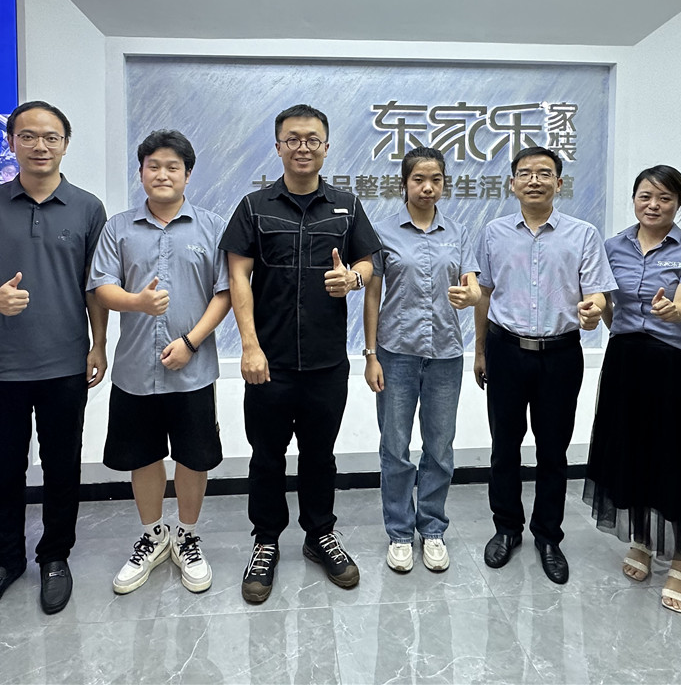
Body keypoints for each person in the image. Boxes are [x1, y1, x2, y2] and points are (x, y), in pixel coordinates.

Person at [221, 103, 381, 604]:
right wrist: (249, 346)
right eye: (293, 139)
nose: (303, 147)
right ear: (278, 147)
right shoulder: (255, 207)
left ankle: (320, 535)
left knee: (319, 455)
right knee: (267, 457)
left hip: (327, 362)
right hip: (268, 363)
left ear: (326, 147)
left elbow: (369, 260)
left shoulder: (347, 206)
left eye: (312, 139)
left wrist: (353, 278)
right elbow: (238, 275)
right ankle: (266, 541)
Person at [0, 101, 108, 622]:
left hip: (65, 361)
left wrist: (98, 344)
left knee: (63, 465)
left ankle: (55, 556)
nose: (39, 146)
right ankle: (5, 561)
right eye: (28, 136)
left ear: (65, 143)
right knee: (4, 469)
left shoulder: (87, 208)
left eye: (50, 137)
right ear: (11, 143)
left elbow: (94, 286)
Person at [90, 130, 231, 596]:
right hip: (135, 369)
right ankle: (153, 536)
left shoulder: (212, 227)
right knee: (144, 456)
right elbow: (101, 287)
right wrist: (136, 302)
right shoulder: (118, 228)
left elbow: (225, 293)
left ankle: (186, 536)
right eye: (154, 166)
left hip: (194, 369)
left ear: (188, 174)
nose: (163, 174)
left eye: (173, 167)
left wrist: (190, 342)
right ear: (141, 173)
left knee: (193, 458)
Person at [583, 165, 681, 613]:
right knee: (632, 453)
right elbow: (608, 303)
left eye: (664, 198)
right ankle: (641, 541)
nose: (653, 205)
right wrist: (600, 315)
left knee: (679, 460)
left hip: (677, 364)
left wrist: (672, 311)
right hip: (627, 361)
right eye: (645, 196)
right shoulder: (612, 247)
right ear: (633, 199)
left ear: (679, 204)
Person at [474, 146, 616, 584]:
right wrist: (479, 351)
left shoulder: (583, 234)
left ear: (559, 182)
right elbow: (484, 294)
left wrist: (593, 309)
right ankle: (506, 528)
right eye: (525, 173)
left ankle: (549, 536)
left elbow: (597, 293)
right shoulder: (494, 233)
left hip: (560, 354)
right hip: (505, 350)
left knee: (553, 451)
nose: (534, 180)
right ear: (512, 183)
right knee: (504, 447)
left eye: (544, 173)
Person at [363, 147, 480, 574]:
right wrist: (370, 354)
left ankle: (432, 529)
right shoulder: (382, 233)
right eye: (418, 179)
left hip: (446, 355)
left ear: (444, 183)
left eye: (436, 179)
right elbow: (373, 296)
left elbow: (473, 286)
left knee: (439, 449)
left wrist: (471, 296)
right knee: (395, 448)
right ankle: (399, 532)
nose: (427, 187)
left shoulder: (459, 232)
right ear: (404, 184)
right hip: (395, 355)